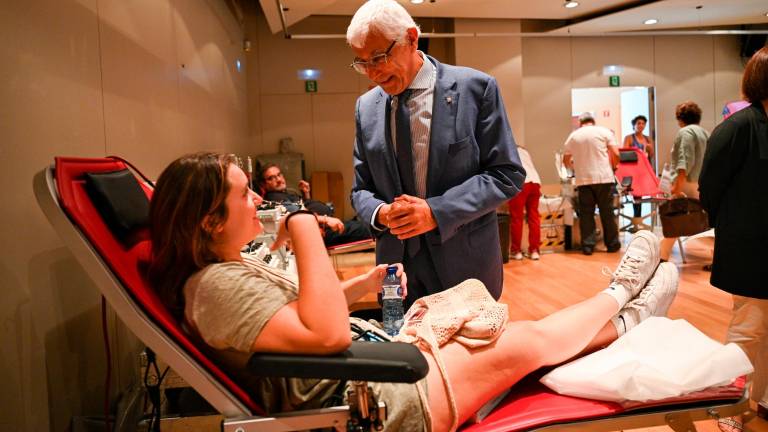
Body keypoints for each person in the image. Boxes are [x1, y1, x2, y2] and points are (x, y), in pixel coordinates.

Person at [147, 152, 680, 432]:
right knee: (528, 342)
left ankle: (627, 309)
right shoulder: (215, 287)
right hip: (375, 399)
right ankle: (622, 299)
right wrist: (304, 225)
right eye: (246, 194)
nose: (259, 202)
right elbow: (326, 332)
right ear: (212, 221)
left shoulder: (226, 269)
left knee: (517, 335)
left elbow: (295, 322)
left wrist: (360, 282)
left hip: (368, 365)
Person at [346, 0, 525, 307]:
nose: (372, 73)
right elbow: (361, 189)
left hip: (464, 264)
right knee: (401, 347)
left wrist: (435, 212)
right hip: (393, 271)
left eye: (378, 57)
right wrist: (381, 213)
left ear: (411, 39)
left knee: (471, 353)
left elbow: (506, 174)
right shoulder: (366, 107)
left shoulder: (476, 89)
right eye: (361, 62)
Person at [699, 46, 768, 432]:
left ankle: (761, 399)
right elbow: (711, 187)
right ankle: (732, 405)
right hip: (749, 245)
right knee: (749, 327)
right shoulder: (738, 127)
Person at [260, 163, 371, 247]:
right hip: (321, 232)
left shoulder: (284, 194)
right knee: (365, 228)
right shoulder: (273, 200)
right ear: (263, 185)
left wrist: (306, 194)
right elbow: (298, 216)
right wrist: (325, 220)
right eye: (271, 178)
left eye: (279, 174)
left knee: (360, 223)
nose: (278, 179)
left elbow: (303, 208)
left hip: (326, 226)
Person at [563, 112, 621, 255]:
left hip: (584, 180)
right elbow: (616, 154)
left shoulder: (574, 136)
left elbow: (565, 161)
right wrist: (614, 167)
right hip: (604, 178)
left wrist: (575, 167)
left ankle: (588, 246)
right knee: (607, 212)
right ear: (593, 121)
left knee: (586, 214)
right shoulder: (604, 131)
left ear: (580, 122)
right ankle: (612, 245)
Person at [659, 101, 709, 261]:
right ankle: (714, 258)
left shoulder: (685, 133)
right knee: (703, 220)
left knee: (674, 218)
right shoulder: (704, 133)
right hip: (702, 182)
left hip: (686, 182)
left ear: (680, 118)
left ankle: (662, 257)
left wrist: (676, 186)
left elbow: (684, 161)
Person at [507, 145, 542, 260]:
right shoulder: (524, 150)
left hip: (520, 183)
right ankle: (534, 251)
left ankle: (516, 251)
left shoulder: (506, 148)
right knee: (534, 217)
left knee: (517, 218)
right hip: (535, 182)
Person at [622, 115, 655, 219]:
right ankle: (637, 217)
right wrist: (637, 152)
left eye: (643, 123)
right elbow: (624, 153)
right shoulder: (629, 138)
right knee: (636, 195)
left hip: (644, 171)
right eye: (638, 123)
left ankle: (638, 218)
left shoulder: (647, 138)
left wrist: (649, 149)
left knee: (642, 194)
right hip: (633, 171)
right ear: (634, 125)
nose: (641, 125)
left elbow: (652, 155)